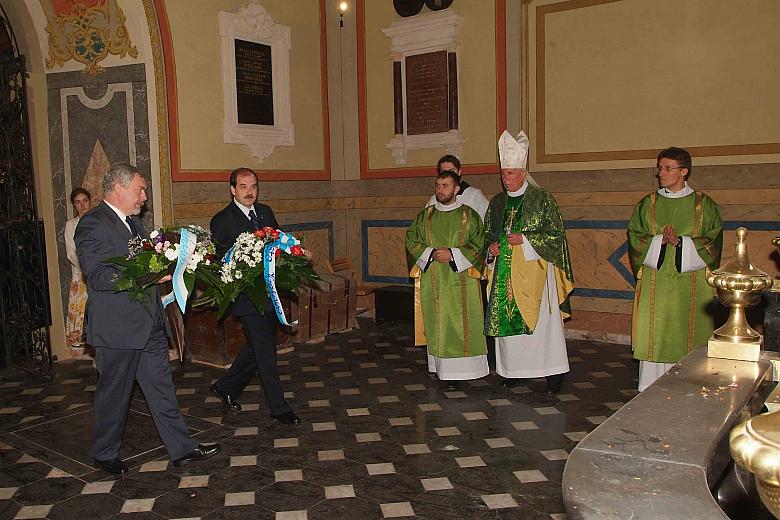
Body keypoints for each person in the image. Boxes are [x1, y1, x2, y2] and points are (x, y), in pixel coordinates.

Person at [76, 163, 221, 474]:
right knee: (115, 393)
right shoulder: (92, 224)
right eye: (139, 190)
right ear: (118, 188)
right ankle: (104, 453)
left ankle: (181, 448)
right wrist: (147, 276)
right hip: (118, 329)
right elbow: (99, 276)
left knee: (161, 389)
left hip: (149, 324)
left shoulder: (135, 225)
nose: (144, 196)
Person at [483, 131, 574, 394]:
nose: (506, 179)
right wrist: (491, 249)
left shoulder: (541, 199)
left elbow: (556, 236)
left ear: (523, 172)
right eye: (503, 174)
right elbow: (487, 235)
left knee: (543, 327)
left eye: (510, 173)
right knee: (508, 323)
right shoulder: (498, 203)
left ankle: (553, 372)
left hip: (535, 274)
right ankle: (514, 371)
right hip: (504, 274)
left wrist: (525, 239)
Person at [209, 167, 300, 425]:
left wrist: (295, 252)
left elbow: (279, 242)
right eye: (244, 187)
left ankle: (226, 386)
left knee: (260, 346)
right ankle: (279, 407)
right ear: (232, 190)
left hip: (270, 291)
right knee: (265, 352)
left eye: (254, 187)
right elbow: (223, 260)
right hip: (247, 297)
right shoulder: (222, 220)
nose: (250, 192)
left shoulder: (265, 212)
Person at [628, 147, 722, 391]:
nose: (661, 173)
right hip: (655, 278)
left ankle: (691, 382)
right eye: (659, 168)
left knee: (688, 329)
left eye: (668, 168)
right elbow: (636, 237)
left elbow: (713, 242)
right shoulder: (647, 204)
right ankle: (650, 384)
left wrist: (682, 243)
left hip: (691, 280)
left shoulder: (705, 205)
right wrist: (660, 240)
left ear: (684, 171)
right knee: (655, 330)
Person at [406, 170, 488, 390]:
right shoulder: (426, 216)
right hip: (434, 278)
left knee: (461, 323)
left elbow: (479, 243)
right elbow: (412, 240)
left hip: (462, 280)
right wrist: (431, 253)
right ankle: (442, 369)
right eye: (437, 186)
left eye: (445, 186)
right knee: (438, 322)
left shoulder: (468, 216)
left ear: (456, 189)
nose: (440, 190)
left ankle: (465, 371)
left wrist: (453, 254)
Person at [64, 188, 91, 352]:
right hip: (81, 274)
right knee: (81, 312)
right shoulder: (71, 225)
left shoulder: (98, 220)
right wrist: (85, 269)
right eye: (78, 202)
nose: (82, 205)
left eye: (85, 201)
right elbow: (71, 252)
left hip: (97, 272)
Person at [425, 154, 490, 219]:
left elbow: (486, 220)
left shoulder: (474, 195)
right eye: (444, 172)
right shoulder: (434, 200)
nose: (448, 175)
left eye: (451, 171)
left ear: (459, 172)